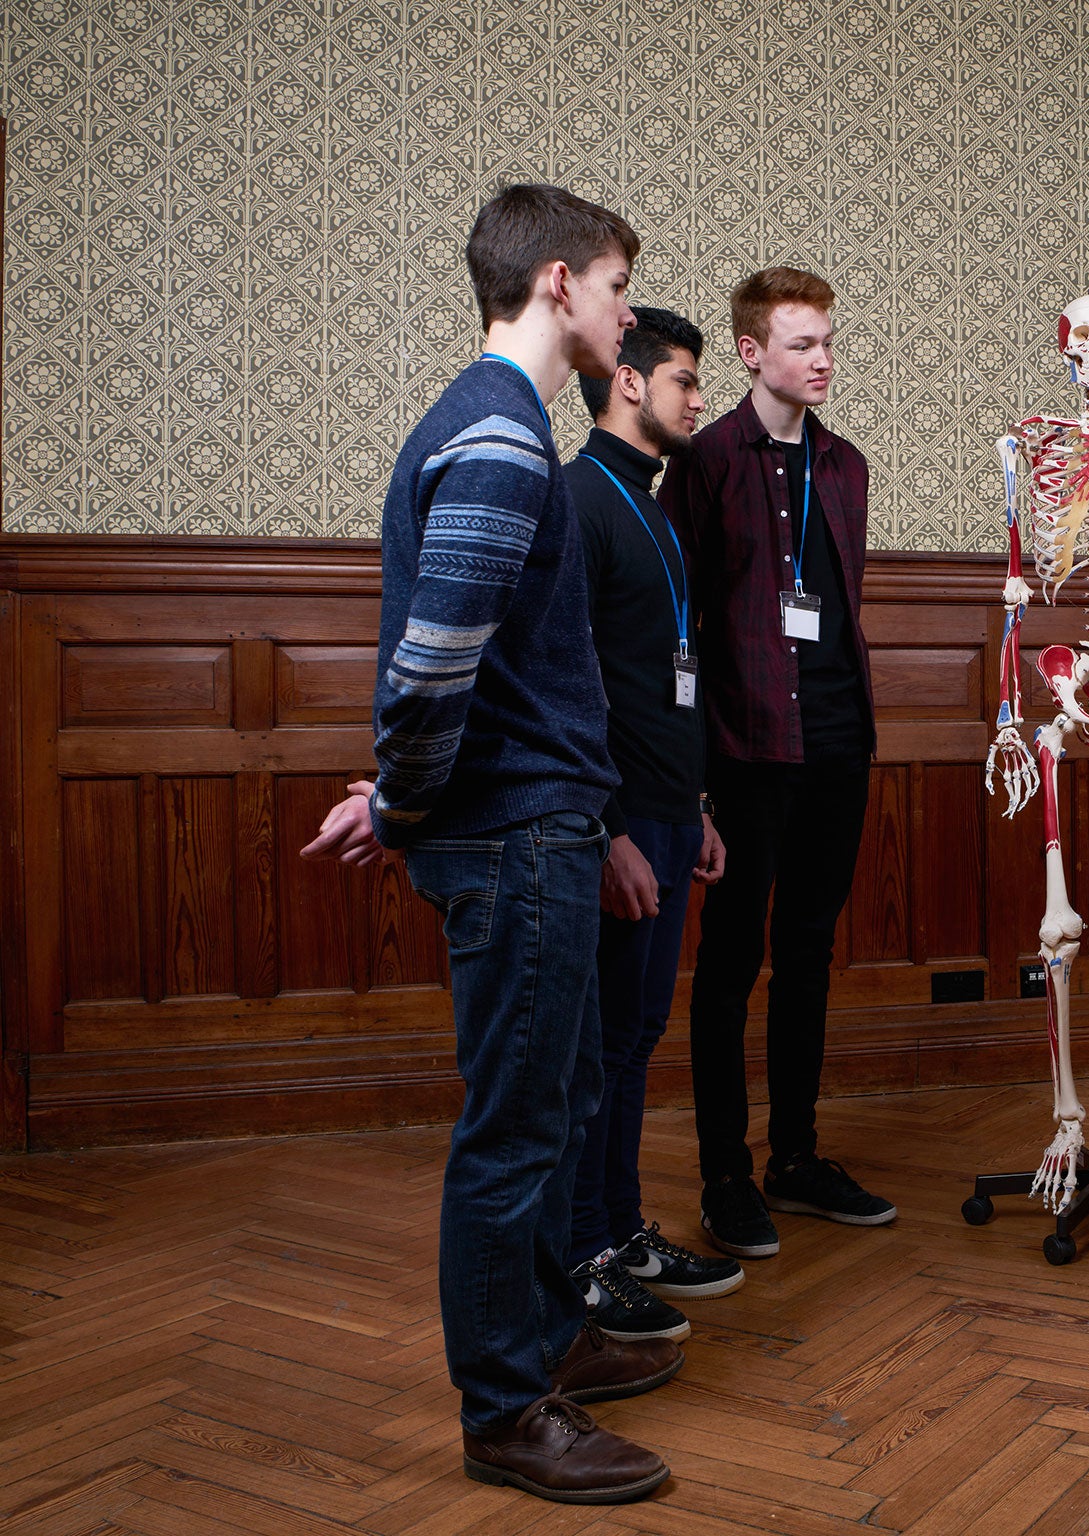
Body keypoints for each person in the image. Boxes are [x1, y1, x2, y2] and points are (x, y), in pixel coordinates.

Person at [299, 183, 676, 1504]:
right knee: (515, 1133)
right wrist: (403, 803)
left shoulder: (500, 425)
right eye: (620, 288)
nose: (627, 316)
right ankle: (505, 1411)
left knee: (555, 1103)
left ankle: (543, 1336)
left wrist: (399, 794)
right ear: (560, 284)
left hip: (536, 823)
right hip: (514, 837)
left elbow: (465, 668)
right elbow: (428, 674)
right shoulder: (507, 441)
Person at [659, 266, 896, 1258]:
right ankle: (725, 1176)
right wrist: (693, 775)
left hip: (837, 745)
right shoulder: (706, 462)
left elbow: (833, 616)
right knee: (729, 966)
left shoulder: (845, 468)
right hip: (746, 749)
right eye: (802, 344)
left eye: (828, 341)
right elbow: (678, 624)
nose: (823, 359)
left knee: (806, 958)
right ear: (752, 353)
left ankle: (794, 1158)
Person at [562, 306, 743, 1338]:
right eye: (682, 378)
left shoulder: (656, 507)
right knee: (598, 1050)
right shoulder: (578, 502)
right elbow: (571, 686)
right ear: (628, 384)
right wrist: (612, 827)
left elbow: (667, 677)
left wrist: (699, 805)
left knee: (633, 1041)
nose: (695, 397)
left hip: (674, 815)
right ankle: (586, 1248)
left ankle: (620, 1227)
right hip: (619, 830)